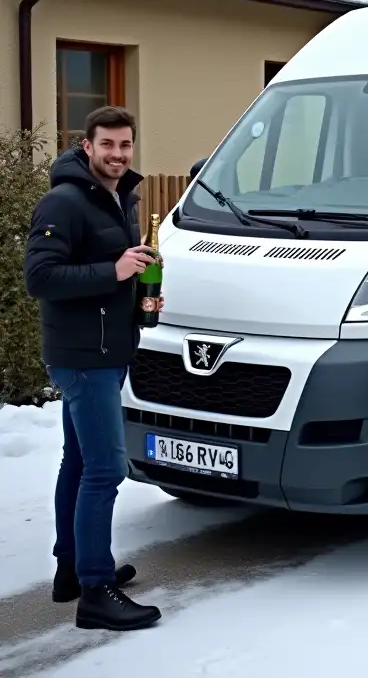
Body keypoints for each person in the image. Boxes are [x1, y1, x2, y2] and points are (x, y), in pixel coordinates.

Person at [24, 106, 163, 631]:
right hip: (83, 360)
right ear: (87, 146)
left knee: (79, 462)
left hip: (106, 350)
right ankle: (95, 592)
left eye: (126, 145)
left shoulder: (117, 196)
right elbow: (41, 277)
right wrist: (115, 269)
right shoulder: (63, 201)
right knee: (106, 469)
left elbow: (114, 273)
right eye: (107, 145)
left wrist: (140, 291)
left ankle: (70, 570)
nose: (118, 154)